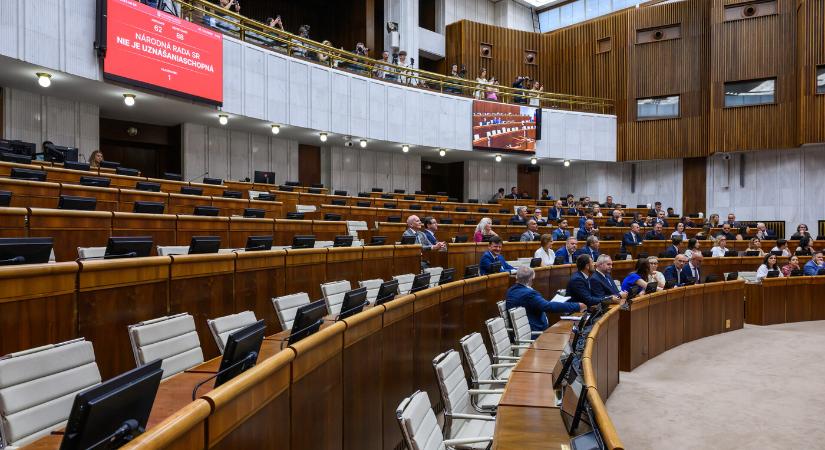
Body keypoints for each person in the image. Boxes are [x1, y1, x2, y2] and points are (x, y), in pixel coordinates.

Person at [506, 266, 585, 332]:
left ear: (516, 277)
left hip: (527, 329)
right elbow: (547, 307)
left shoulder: (511, 290)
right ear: (531, 279)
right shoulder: (529, 294)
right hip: (534, 332)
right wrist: (577, 306)